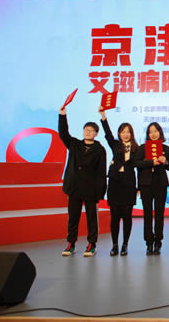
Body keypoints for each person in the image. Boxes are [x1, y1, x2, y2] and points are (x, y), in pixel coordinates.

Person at [59, 105, 106, 257]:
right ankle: (71, 243)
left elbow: (101, 172)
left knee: (91, 218)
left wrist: (100, 192)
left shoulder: (100, 150)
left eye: (91, 130)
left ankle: (92, 244)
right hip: (74, 187)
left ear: (96, 133)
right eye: (86, 129)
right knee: (73, 216)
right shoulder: (75, 144)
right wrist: (62, 115)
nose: (88, 132)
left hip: (90, 189)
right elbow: (63, 133)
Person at [99, 107, 138, 257]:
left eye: (128, 132)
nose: (125, 134)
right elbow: (107, 133)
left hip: (128, 185)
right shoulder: (115, 144)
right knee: (114, 216)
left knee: (127, 216)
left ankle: (125, 245)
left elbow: (140, 166)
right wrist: (103, 116)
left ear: (131, 134)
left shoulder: (137, 148)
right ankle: (114, 244)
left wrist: (139, 187)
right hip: (115, 183)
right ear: (119, 134)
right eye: (123, 132)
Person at [134, 122, 169, 255]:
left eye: (155, 131)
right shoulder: (142, 147)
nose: (153, 134)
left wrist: (165, 161)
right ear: (148, 134)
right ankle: (149, 242)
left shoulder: (166, 148)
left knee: (160, 214)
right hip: (146, 184)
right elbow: (136, 163)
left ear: (160, 132)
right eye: (150, 132)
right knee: (147, 214)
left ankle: (158, 241)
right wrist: (151, 162)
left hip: (161, 184)